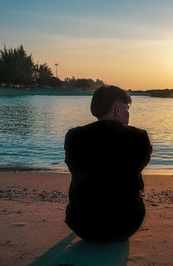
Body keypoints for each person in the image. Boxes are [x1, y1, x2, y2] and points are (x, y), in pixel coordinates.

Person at [64, 85, 152, 241]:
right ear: (117, 109)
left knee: (79, 175)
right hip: (125, 225)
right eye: (127, 108)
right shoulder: (139, 137)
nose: (128, 113)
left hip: (82, 226)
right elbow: (141, 163)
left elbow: (73, 167)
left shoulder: (74, 136)